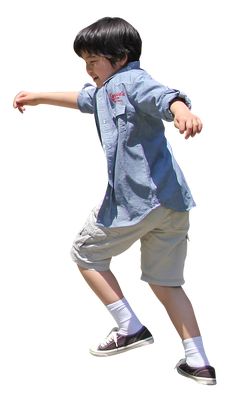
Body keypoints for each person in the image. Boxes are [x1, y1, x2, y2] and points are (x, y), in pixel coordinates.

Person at [13, 17, 216, 385]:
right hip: (172, 205)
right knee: (166, 281)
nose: (88, 69)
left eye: (93, 60)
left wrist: (181, 110)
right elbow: (81, 99)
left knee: (84, 252)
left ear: (120, 57)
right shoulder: (105, 90)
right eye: (84, 62)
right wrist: (38, 97)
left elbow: (162, 95)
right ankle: (198, 360)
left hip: (138, 201)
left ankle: (129, 326)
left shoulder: (130, 81)